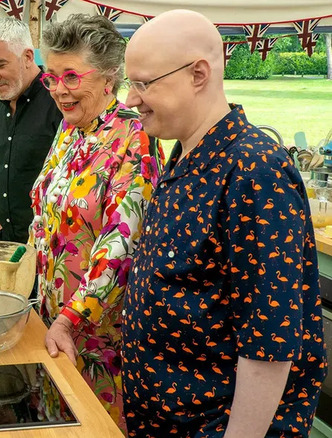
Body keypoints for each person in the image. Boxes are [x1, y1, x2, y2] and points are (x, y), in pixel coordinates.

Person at [121, 10, 327, 437]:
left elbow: (269, 345)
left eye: (143, 84)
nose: (130, 99)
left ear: (198, 74)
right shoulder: (187, 152)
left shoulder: (255, 170)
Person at [27, 14, 163, 430]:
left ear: (109, 77)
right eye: (51, 77)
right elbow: (46, 217)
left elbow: (121, 247)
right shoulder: (71, 129)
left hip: (100, 339)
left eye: (71, 76)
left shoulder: (134, 138)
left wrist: (70, 318)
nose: (59, 90)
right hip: (54, 325)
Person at [0, 17, 62, 243]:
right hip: (6, 243)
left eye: (0, 65)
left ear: (27, 57)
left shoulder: (60, 104)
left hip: (50, 249)